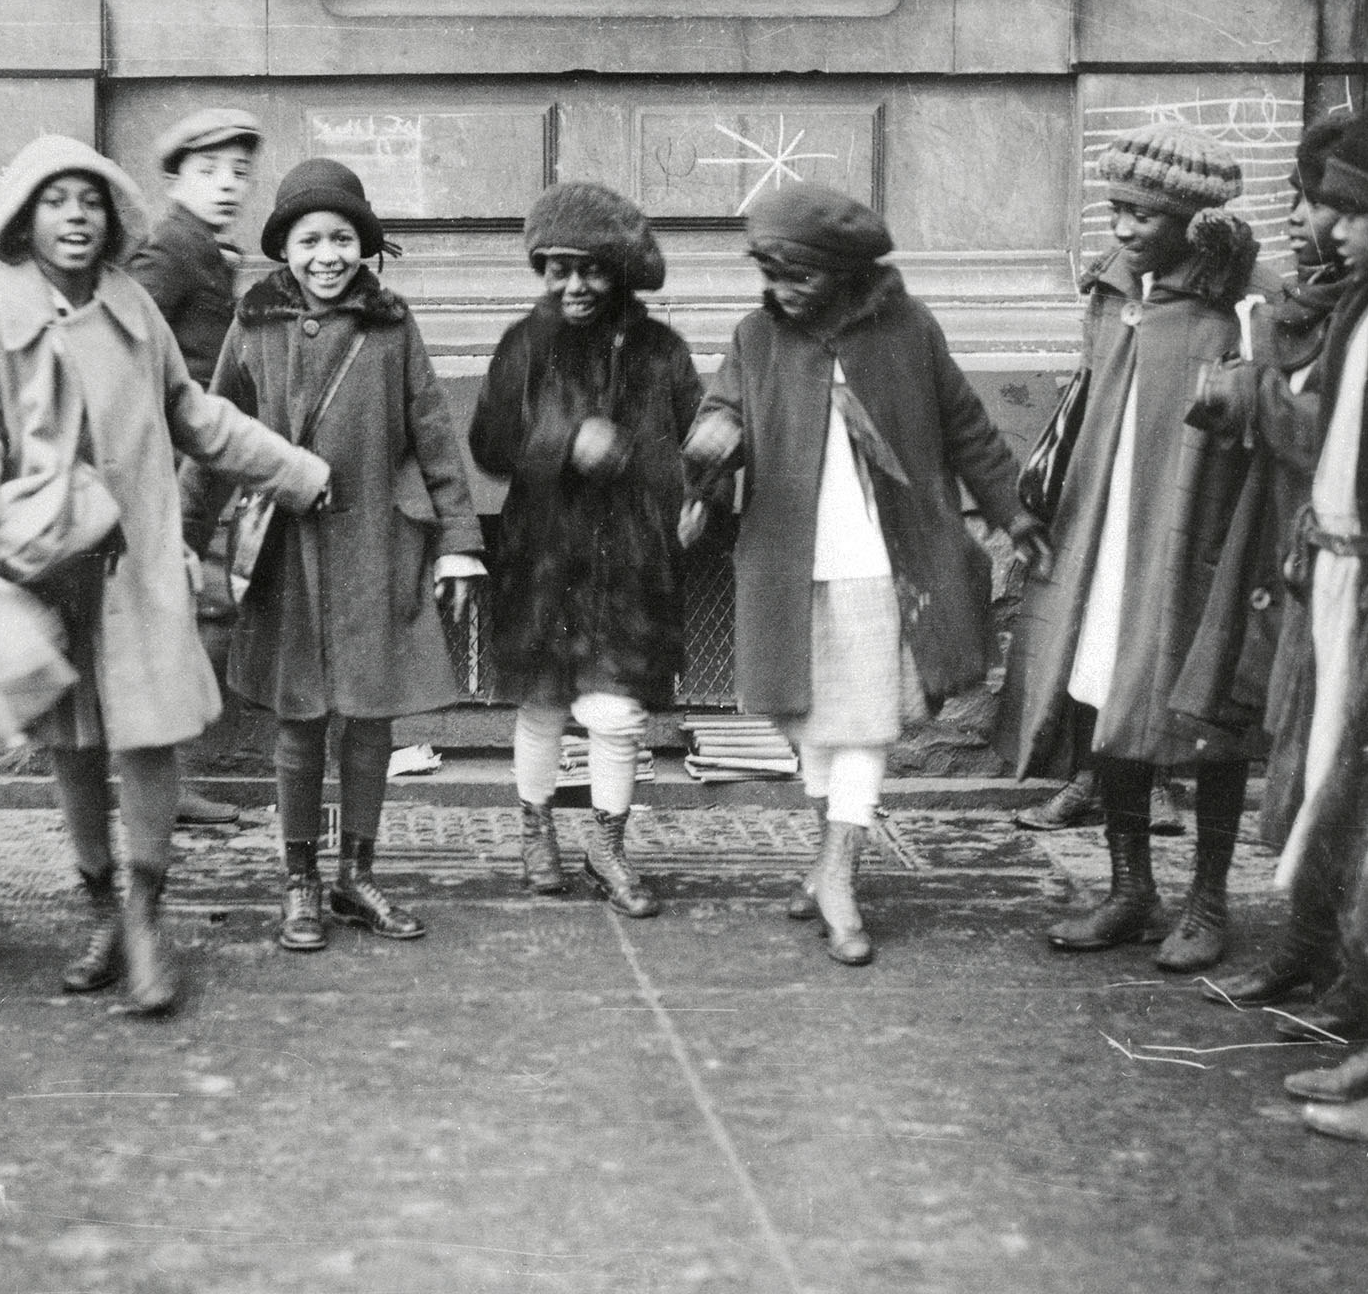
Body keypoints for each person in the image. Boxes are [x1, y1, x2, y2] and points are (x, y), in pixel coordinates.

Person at [0, 135, 328, 1016]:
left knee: (147, 736)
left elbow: (193, 413)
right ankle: (101, 910)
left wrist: (291, 470)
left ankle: (148, 919)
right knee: (70, 743)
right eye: (55, 201)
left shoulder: (135, 306)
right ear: (25, 218)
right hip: (48, 559)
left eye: (90, 201)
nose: (75, 216)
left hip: (136, 562)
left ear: (111, 218)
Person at [686, 184, 1040, 965]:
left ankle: (841, 871)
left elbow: (968, 428)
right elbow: (724, 409)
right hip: (788, 559)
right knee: (809, 718)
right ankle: (826, 862)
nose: (781, 291)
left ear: (845, 271)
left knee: (866, 723)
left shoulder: (907, 330)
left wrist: (1014, 513)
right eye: (770, 273)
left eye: (798, 275)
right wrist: (715, 436)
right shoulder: (757, 337)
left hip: (886, 558)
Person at [187, 158, 484, 952]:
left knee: (369, 718)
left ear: (364, 245)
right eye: (311, 239)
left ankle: (358, 874)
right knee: (298, 721)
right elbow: (213, 431)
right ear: (285, 248)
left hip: (377, 547)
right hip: (286, 553)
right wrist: (181, 535)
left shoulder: (390, 325)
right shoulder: (254, 324)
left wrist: (459, 542)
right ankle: (299, 880)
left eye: (343, 237)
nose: (328, 255)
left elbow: (433, 436)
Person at [998, 123, 1269, 973]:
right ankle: (1130, 890)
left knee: (1203, 710)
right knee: (1102, 694)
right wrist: (1042, 497)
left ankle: (1209, 902)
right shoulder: (1116, 292)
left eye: (1141, 214)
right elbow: (1087, 397)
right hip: (1106, 531)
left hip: (1195, 538)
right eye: (1116, 208)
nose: (1120, 228)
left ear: (1193, 221)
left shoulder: (1244, 303)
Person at [469, 182, 704, 916]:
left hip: (634, 560)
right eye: (557, 269)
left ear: (622, 274)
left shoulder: (663, 352)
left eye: (591, 270)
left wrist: (701, 493)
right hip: (544, 558)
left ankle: (608, 845)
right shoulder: (524, 345)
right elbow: (489, 443)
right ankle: (535, 831)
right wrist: (566, 440)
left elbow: (699, 435)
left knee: (616, 712)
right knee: (541, 705)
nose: (573, 286)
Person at [1186, 112, 1359, 1014]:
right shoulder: (1334, 303)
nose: (1319, 223)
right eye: (1313, 202)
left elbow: (1315, 430)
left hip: (1349, 571)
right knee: (1305, 755)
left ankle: (1340, 971)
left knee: (1339, 768)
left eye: (1333, 205)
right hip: (1313, 561)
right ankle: (1305, 945)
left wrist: (1252, 387)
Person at [1261, 118, 1368, 1140]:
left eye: (1350, 209)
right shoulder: (1357, 313)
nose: (1327, 227)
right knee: (1337, 794)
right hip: (1338, 571)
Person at [129, 108, 265, 830]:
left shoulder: (209, 251)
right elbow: (125, 347)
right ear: (176, 178)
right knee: (194, 611)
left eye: (239, 174)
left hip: (209, 464)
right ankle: (155, 778)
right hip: (175, 467)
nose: (226, 187)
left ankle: (164, 777)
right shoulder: (169, 250)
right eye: (208, 172)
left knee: (206, 611)